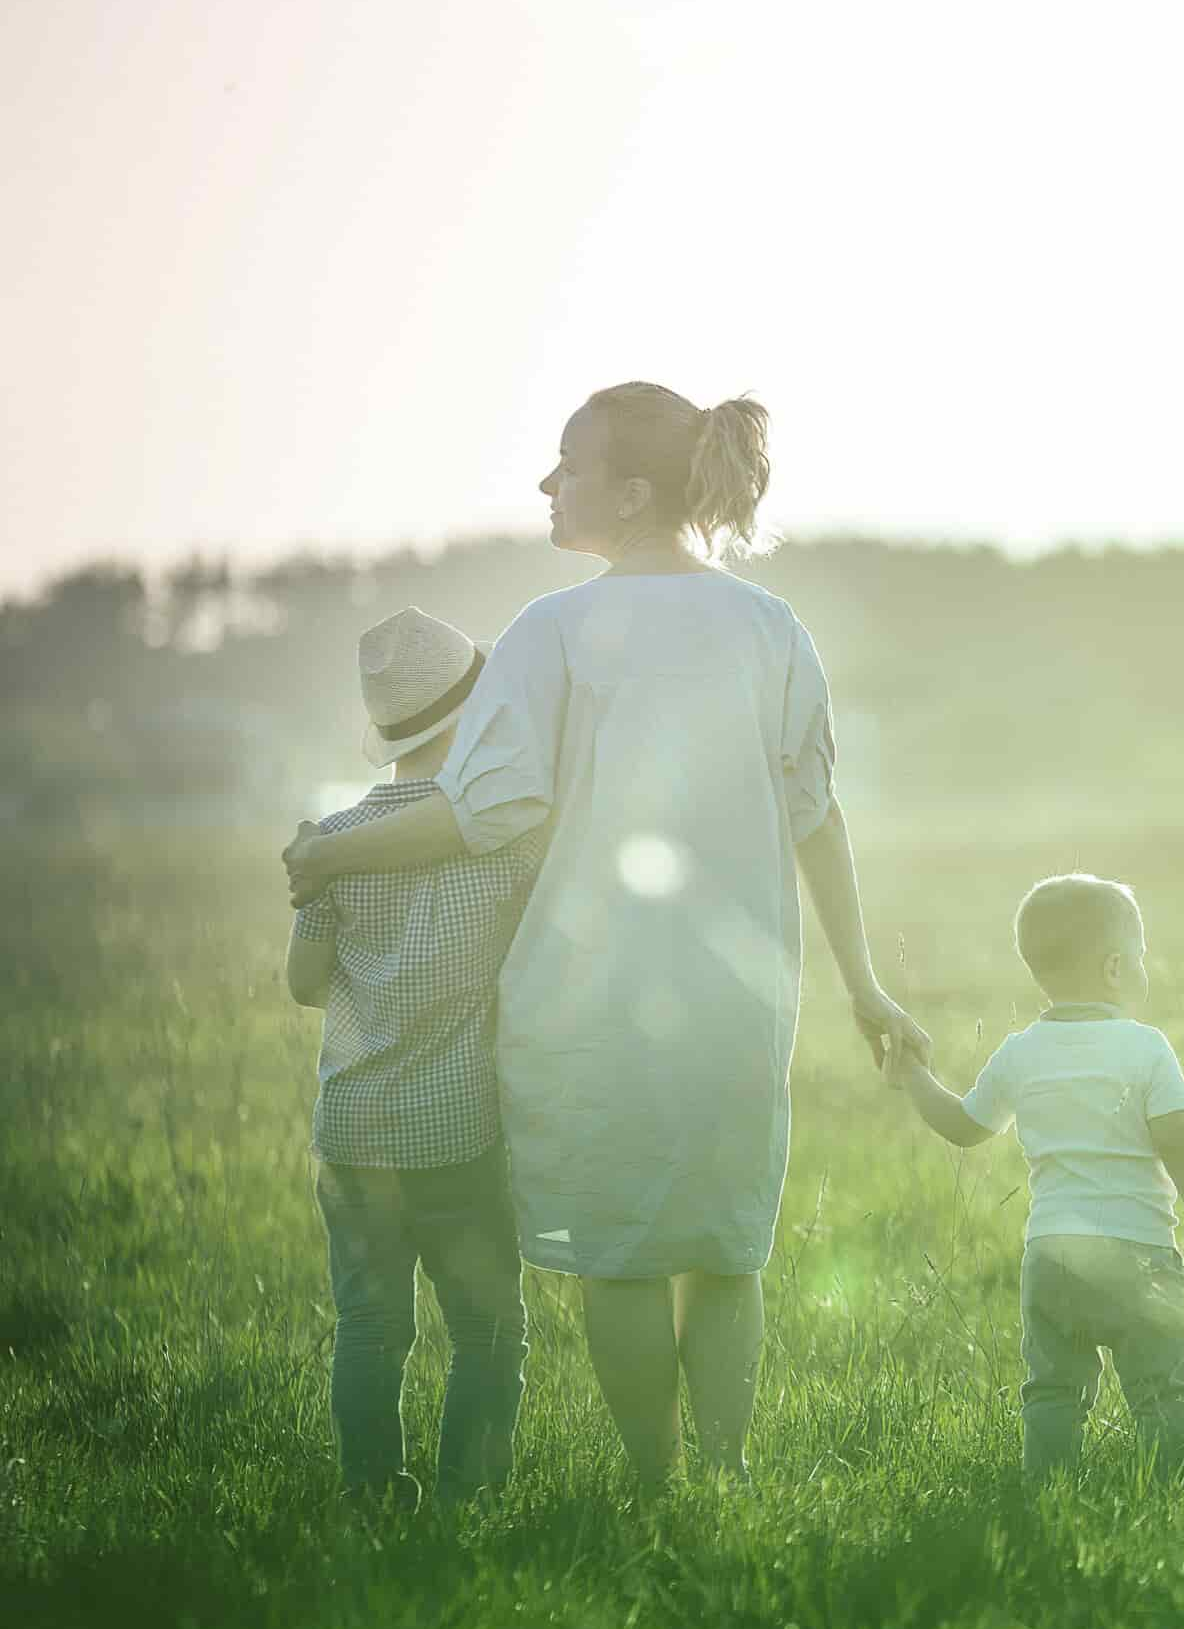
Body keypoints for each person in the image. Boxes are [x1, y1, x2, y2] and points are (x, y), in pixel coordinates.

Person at [283, 383, 927, 1489]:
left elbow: (480, 810)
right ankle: (721, 1486)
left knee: (624, 1256)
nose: (546, 483)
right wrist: (865, 984)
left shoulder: (555, 629)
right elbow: (816, 821)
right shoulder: (772, 627)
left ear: (629, 495)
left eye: (566, 466)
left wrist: (329, 853)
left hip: (589, 1003)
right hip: (741, 997)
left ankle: (653, 1484)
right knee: (726, 1250)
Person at [286, 606, 543, 1510]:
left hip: (352, 1129)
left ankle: (368, 1493)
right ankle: (465, 1498)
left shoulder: (335, 842)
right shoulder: (501, 836)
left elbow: (304, 981)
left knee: (368, 1322)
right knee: (486, 1330)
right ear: (470, 715)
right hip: (457, 1130)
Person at [892, 873, 1184, 1484]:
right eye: (1139, 957)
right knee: (1161, 1393)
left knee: (1054, 1391)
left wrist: (913, 1076)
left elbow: (963, 1126)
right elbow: (1181, 1145)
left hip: (1052, 1256)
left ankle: (1047, 1497)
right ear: (1114, 967)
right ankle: (1179, 1499)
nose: (1143, 969)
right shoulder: (1145, 1048)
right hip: (1139, 1254)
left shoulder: (1021, 1051)